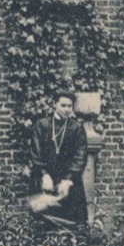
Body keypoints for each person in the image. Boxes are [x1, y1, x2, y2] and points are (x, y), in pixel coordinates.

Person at [27, 88, 89, 230]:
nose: (67, 109)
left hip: (69, 182)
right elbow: (35, 152)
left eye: (70, 106)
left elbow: (80, 156)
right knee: (44, 224)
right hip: (46, 181)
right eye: (63, 105)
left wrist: (68, 179)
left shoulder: (77, 128)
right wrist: (44, 175)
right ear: (54, 104)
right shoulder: (42, 125)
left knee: (72, 225)